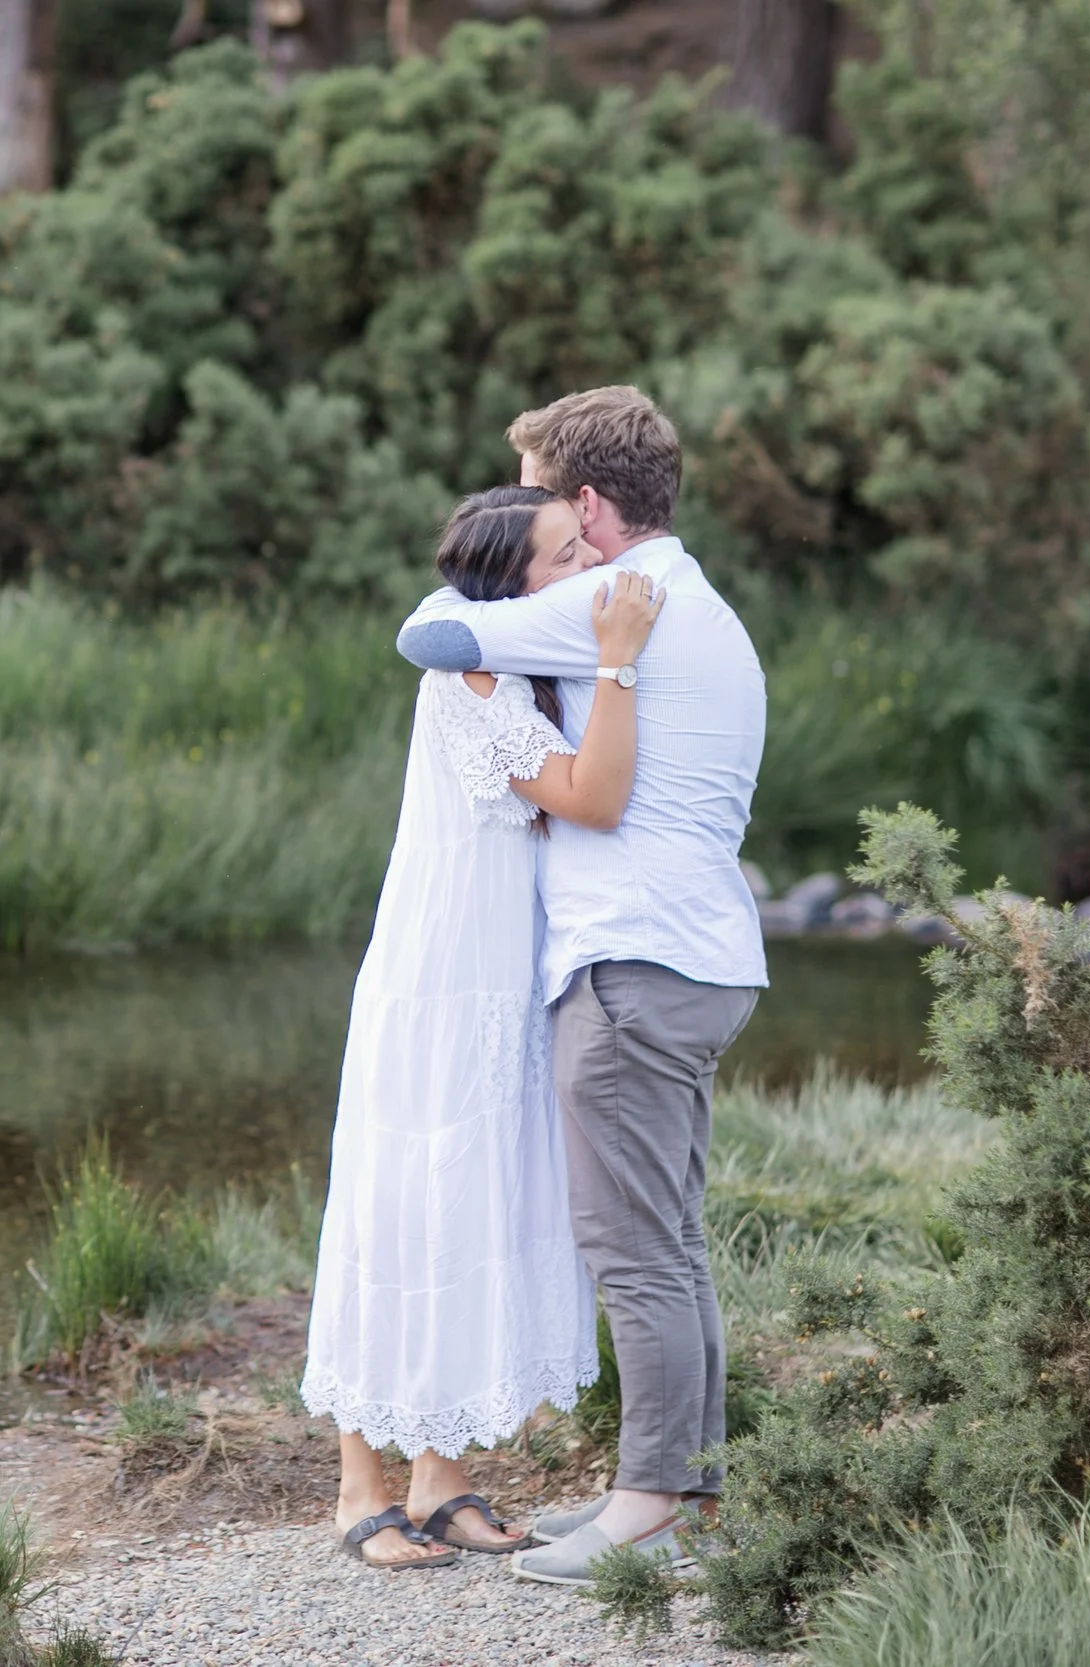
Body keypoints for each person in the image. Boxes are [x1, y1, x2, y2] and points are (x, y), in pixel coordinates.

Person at [393, 387, 767, 1587]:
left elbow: (430, 633)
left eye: (550, 497)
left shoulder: (607, 607)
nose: (545, 522)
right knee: (671, 1239)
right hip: (704, 957)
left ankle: (647, 1505)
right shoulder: (703, 604)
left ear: (591, 506)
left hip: (631, 970)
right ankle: (689, 1501)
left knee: (635, 1251)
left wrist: (519, 580)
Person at [304, 485, 667, 1570]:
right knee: (401, 1206)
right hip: (437, 982)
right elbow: (589, 797)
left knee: (474, 1210)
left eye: (580, 546)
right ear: (510, 589)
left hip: (502, 984)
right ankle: (357, 1484)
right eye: (560, 558)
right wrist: (619, 658)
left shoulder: (511, 663)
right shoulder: (470, 674)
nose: (583, 570)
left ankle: (442, 1473)